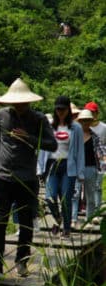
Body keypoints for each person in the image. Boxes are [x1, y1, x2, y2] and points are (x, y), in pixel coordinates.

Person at [0, 78, 57, 278]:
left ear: (29, 101)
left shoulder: (39, 119)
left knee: (25, 223)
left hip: (26, 178)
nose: (19, 106)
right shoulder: (2, 115)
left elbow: (52, 145)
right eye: (16, 102)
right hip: (2, 176)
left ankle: (22, 261)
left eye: (22, 102)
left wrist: (29, 138)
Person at [38, 96, 84, 238]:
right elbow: (43, 148)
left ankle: (67, 228)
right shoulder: (50, 126)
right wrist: (39, 168)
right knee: (49, 197)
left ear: (68, 109)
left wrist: (80, 173)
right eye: (57, 109)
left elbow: (79, 151)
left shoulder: (76, 128)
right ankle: (57, 218)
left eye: (63, 109)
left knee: (66, 198)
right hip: (52, 164)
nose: (60, 112)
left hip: (68, 165)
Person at [74, 109, 106, 222]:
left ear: (91, 121)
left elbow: (102, 152)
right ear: (80, 121)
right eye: (83, 120)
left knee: (90, 195)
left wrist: (103, 163)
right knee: (75, 194)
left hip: (91, 167)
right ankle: (73, 219)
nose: (85, 122)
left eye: (88, 120)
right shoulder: (74, 136)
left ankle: (89, 219)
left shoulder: (95, 136)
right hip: (77, 168)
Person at [83, 101, 106, 220]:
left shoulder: (103, 127)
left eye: (92, 112)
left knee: (97, 187)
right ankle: (85, 213)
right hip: (88, 162)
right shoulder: (83, 127)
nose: (91, 115)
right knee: (84, 190)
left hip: (101, 162)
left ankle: (96, 213)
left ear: (96, 113)